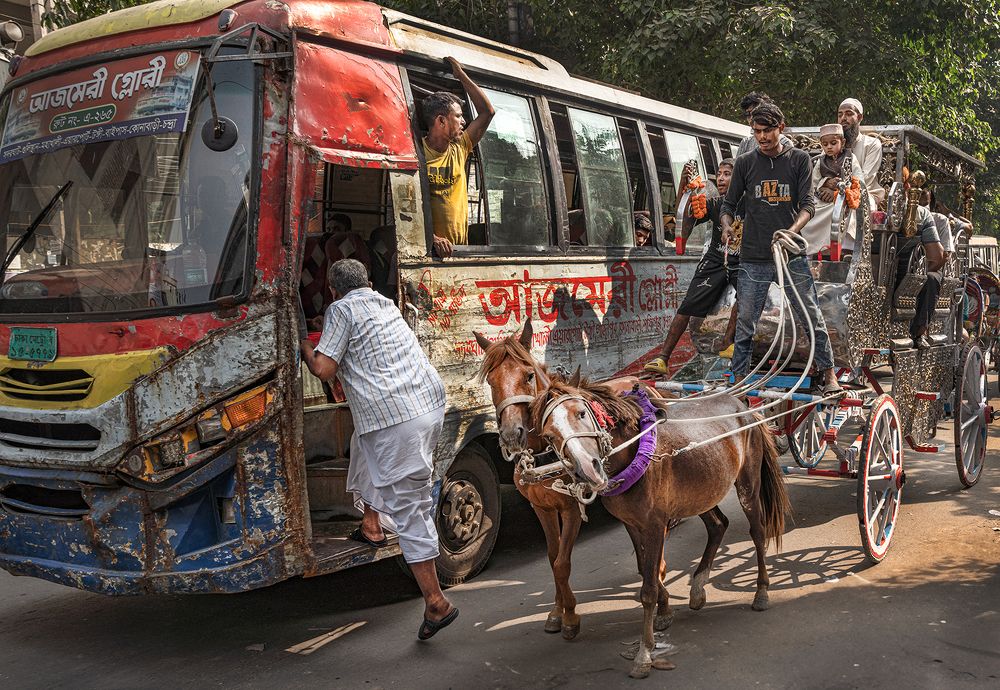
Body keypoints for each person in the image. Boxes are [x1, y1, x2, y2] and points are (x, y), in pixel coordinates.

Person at [299, 259, 458, 640]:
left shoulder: (341, 308)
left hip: (397, 418)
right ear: (368, 281)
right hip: (427, 404)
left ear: (334, 290)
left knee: (410, 506)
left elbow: (323, 369)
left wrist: (304, 344)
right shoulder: (384, 302)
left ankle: (437, 603)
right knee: (362, 442)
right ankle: (371, 524)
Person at [721, 103, 842, 395]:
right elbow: (728, 205)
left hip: (789, 253)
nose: (762, 137)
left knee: (809, 315)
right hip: (753, 255)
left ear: (781, 129)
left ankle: (829, 375)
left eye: (767, 131)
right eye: (757, 132)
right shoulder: (746, 163)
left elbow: (808, 205)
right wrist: (726, 224)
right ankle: (738, 381)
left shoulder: (799, 160)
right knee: (746, 321)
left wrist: (791, 230)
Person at [645, 159, 742, 374]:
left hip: (743, 261)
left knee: (747, 294)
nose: (722, 178)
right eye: (720, 174)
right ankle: (663, 357)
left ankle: (729, 342)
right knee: (689, 303)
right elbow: (686, 214)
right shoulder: (715, 203)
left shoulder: (751, 203)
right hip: (716, 259)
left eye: (728, 174)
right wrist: (684, 184)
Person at [422, 57, 495, 258]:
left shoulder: (459, 148)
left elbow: (487, 112)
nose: (463, 121)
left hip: (459, 251)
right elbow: (407, 205)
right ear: (441, 121)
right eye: (458, 116)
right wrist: (432, 237)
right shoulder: (417, 152)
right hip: (430, 251)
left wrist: (460, 75)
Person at [802, 123, 868, 257]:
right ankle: (814, 250)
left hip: (844, 196)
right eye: (825, 144)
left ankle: (845, 249)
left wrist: (837, 192)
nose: (829, 147)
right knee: (809, 211)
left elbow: (859, 182)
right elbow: (813, 182)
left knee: (840, 210)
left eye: (833, 143)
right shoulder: (821, 161)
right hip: (823, 198)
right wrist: (825, 183)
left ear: (842, 142)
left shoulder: (851, 158)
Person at [897, 192, 946, 348]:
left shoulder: (939, 219)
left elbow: (941, 257)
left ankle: (920, 331)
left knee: (930, 278)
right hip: (899, 268)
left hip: (921, 268)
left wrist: (919, 272)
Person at [828, 98, 885, 207]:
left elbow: (864, 179)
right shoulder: (832, 145)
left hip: (862, 196)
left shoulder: (872, 144)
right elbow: (821, 170)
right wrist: (826, 183)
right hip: (832, 193)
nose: (843, 118)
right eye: (840, 115)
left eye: (849, 114)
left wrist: (838, 190)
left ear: (859, 117)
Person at [735, 92, 793, 157]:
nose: (751, 118)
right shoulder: (746, 143)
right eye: (748, 114)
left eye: (756, 113)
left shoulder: (784, 143)